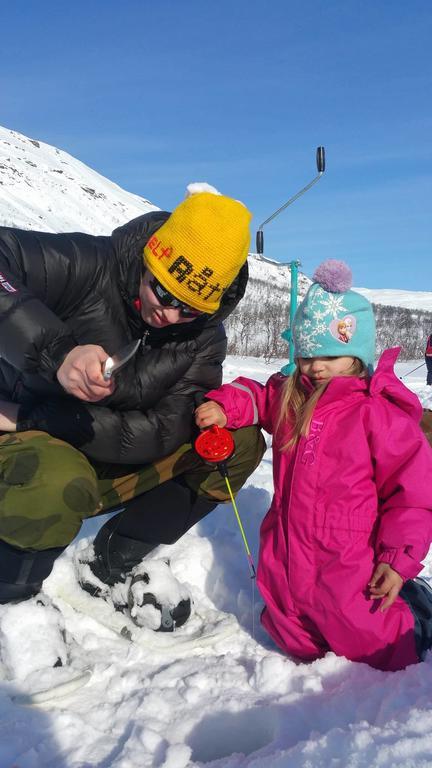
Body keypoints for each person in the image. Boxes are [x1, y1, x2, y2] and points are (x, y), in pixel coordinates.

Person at [0, 183, 265, 627]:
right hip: (30, 451)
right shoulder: (88, 266)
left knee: (234, 443)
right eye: (164, 294)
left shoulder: (203, 340)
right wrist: (57, 352)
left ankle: (109, 561)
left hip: (63, 435)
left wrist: (34, 416)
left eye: (191, 308)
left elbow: (164, 429)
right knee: (57, 477)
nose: (171, 315)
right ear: (151, 258)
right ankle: (14, 606)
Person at [196, 259, 432, 671]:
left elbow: (412, 495)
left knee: (374, 644)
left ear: (355, 354)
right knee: (294, 637)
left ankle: (417, 616)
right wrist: (224, 406)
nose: (316, 366)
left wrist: (397, 558)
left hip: (350, 558)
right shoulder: (291, 397)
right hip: (288, 551)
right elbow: (255, 395)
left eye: (330, 355)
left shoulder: (376, 414)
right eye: (307, 355)